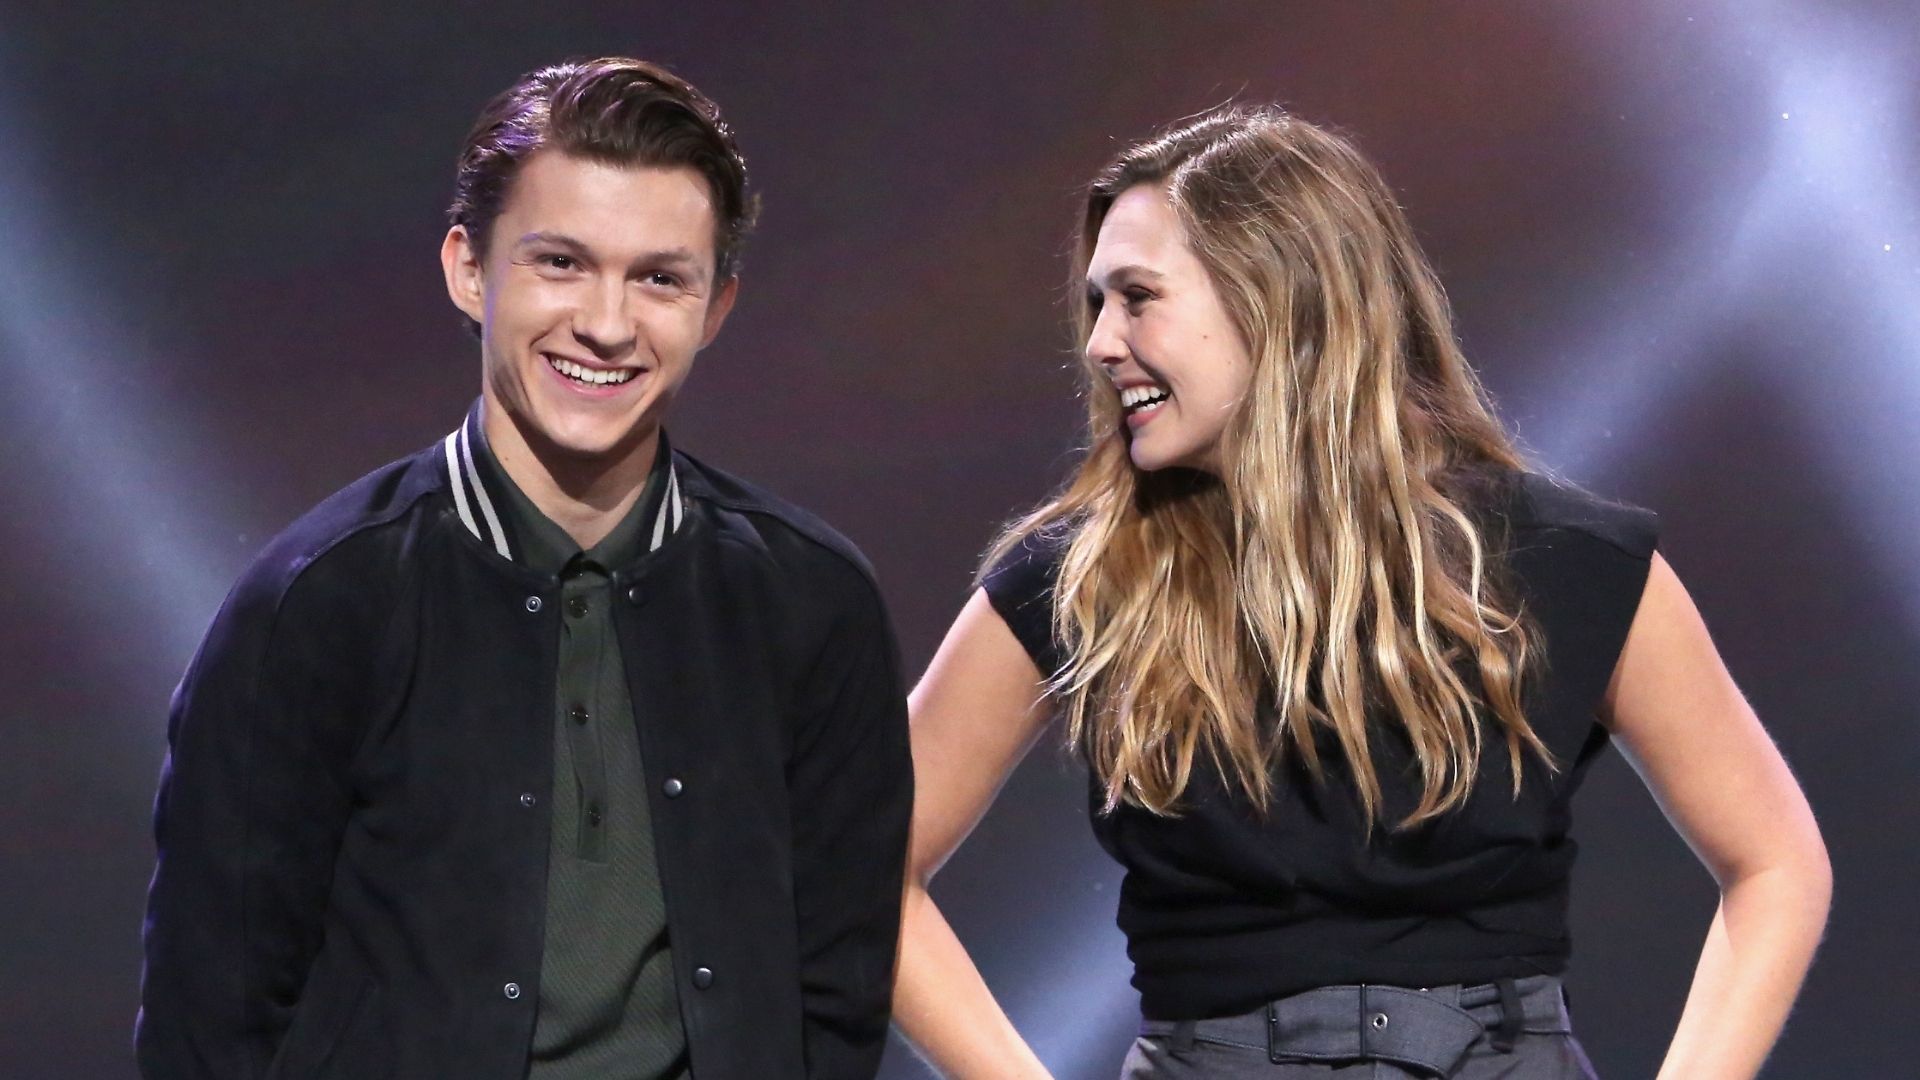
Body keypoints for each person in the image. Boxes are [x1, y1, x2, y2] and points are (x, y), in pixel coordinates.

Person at [894, 106, 1830, 1079]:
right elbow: (862, 869)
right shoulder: (1081, 578)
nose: (1099, 343)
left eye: (1137, 297)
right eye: (1097, 304)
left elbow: (1775, 863)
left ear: (1277, 298)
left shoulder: (1570, 561)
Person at [136, 57, 912, 1080]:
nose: (605, 323)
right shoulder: (320, 600)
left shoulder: (811, 602)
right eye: (560, 263)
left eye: (659, 278)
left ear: (716, 306)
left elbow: (839, 992)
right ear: (468, 268)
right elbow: (212, 1015)